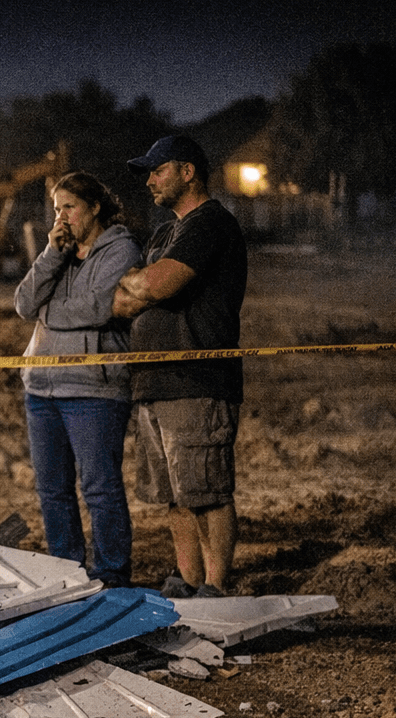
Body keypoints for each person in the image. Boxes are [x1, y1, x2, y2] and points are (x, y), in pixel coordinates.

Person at [113, 135, 248, 598]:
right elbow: (121, 301)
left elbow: (158, 285)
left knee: (206, 491)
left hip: (197, 381)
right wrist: (138, 286)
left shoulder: (210, 224)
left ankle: (215, 585)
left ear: (188, 171)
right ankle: (187, 581)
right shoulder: (163, 233)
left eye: (158, 170)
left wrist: (141, 283)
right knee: (174, 495)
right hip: (155, 381)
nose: (149, 180)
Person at [14, 172, 143, 588]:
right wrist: (51, 254)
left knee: (100, 488)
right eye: (56, 209)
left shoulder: (121, 249)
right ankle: (66, 573)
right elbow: (23, 303)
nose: (61, 217)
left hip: (93, 388)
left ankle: (111, 576)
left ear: (95, 207)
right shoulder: (60, 252)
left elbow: (96, 309)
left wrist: (49, 312)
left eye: (69, 207)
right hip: (42, 387)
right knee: (52, 490)